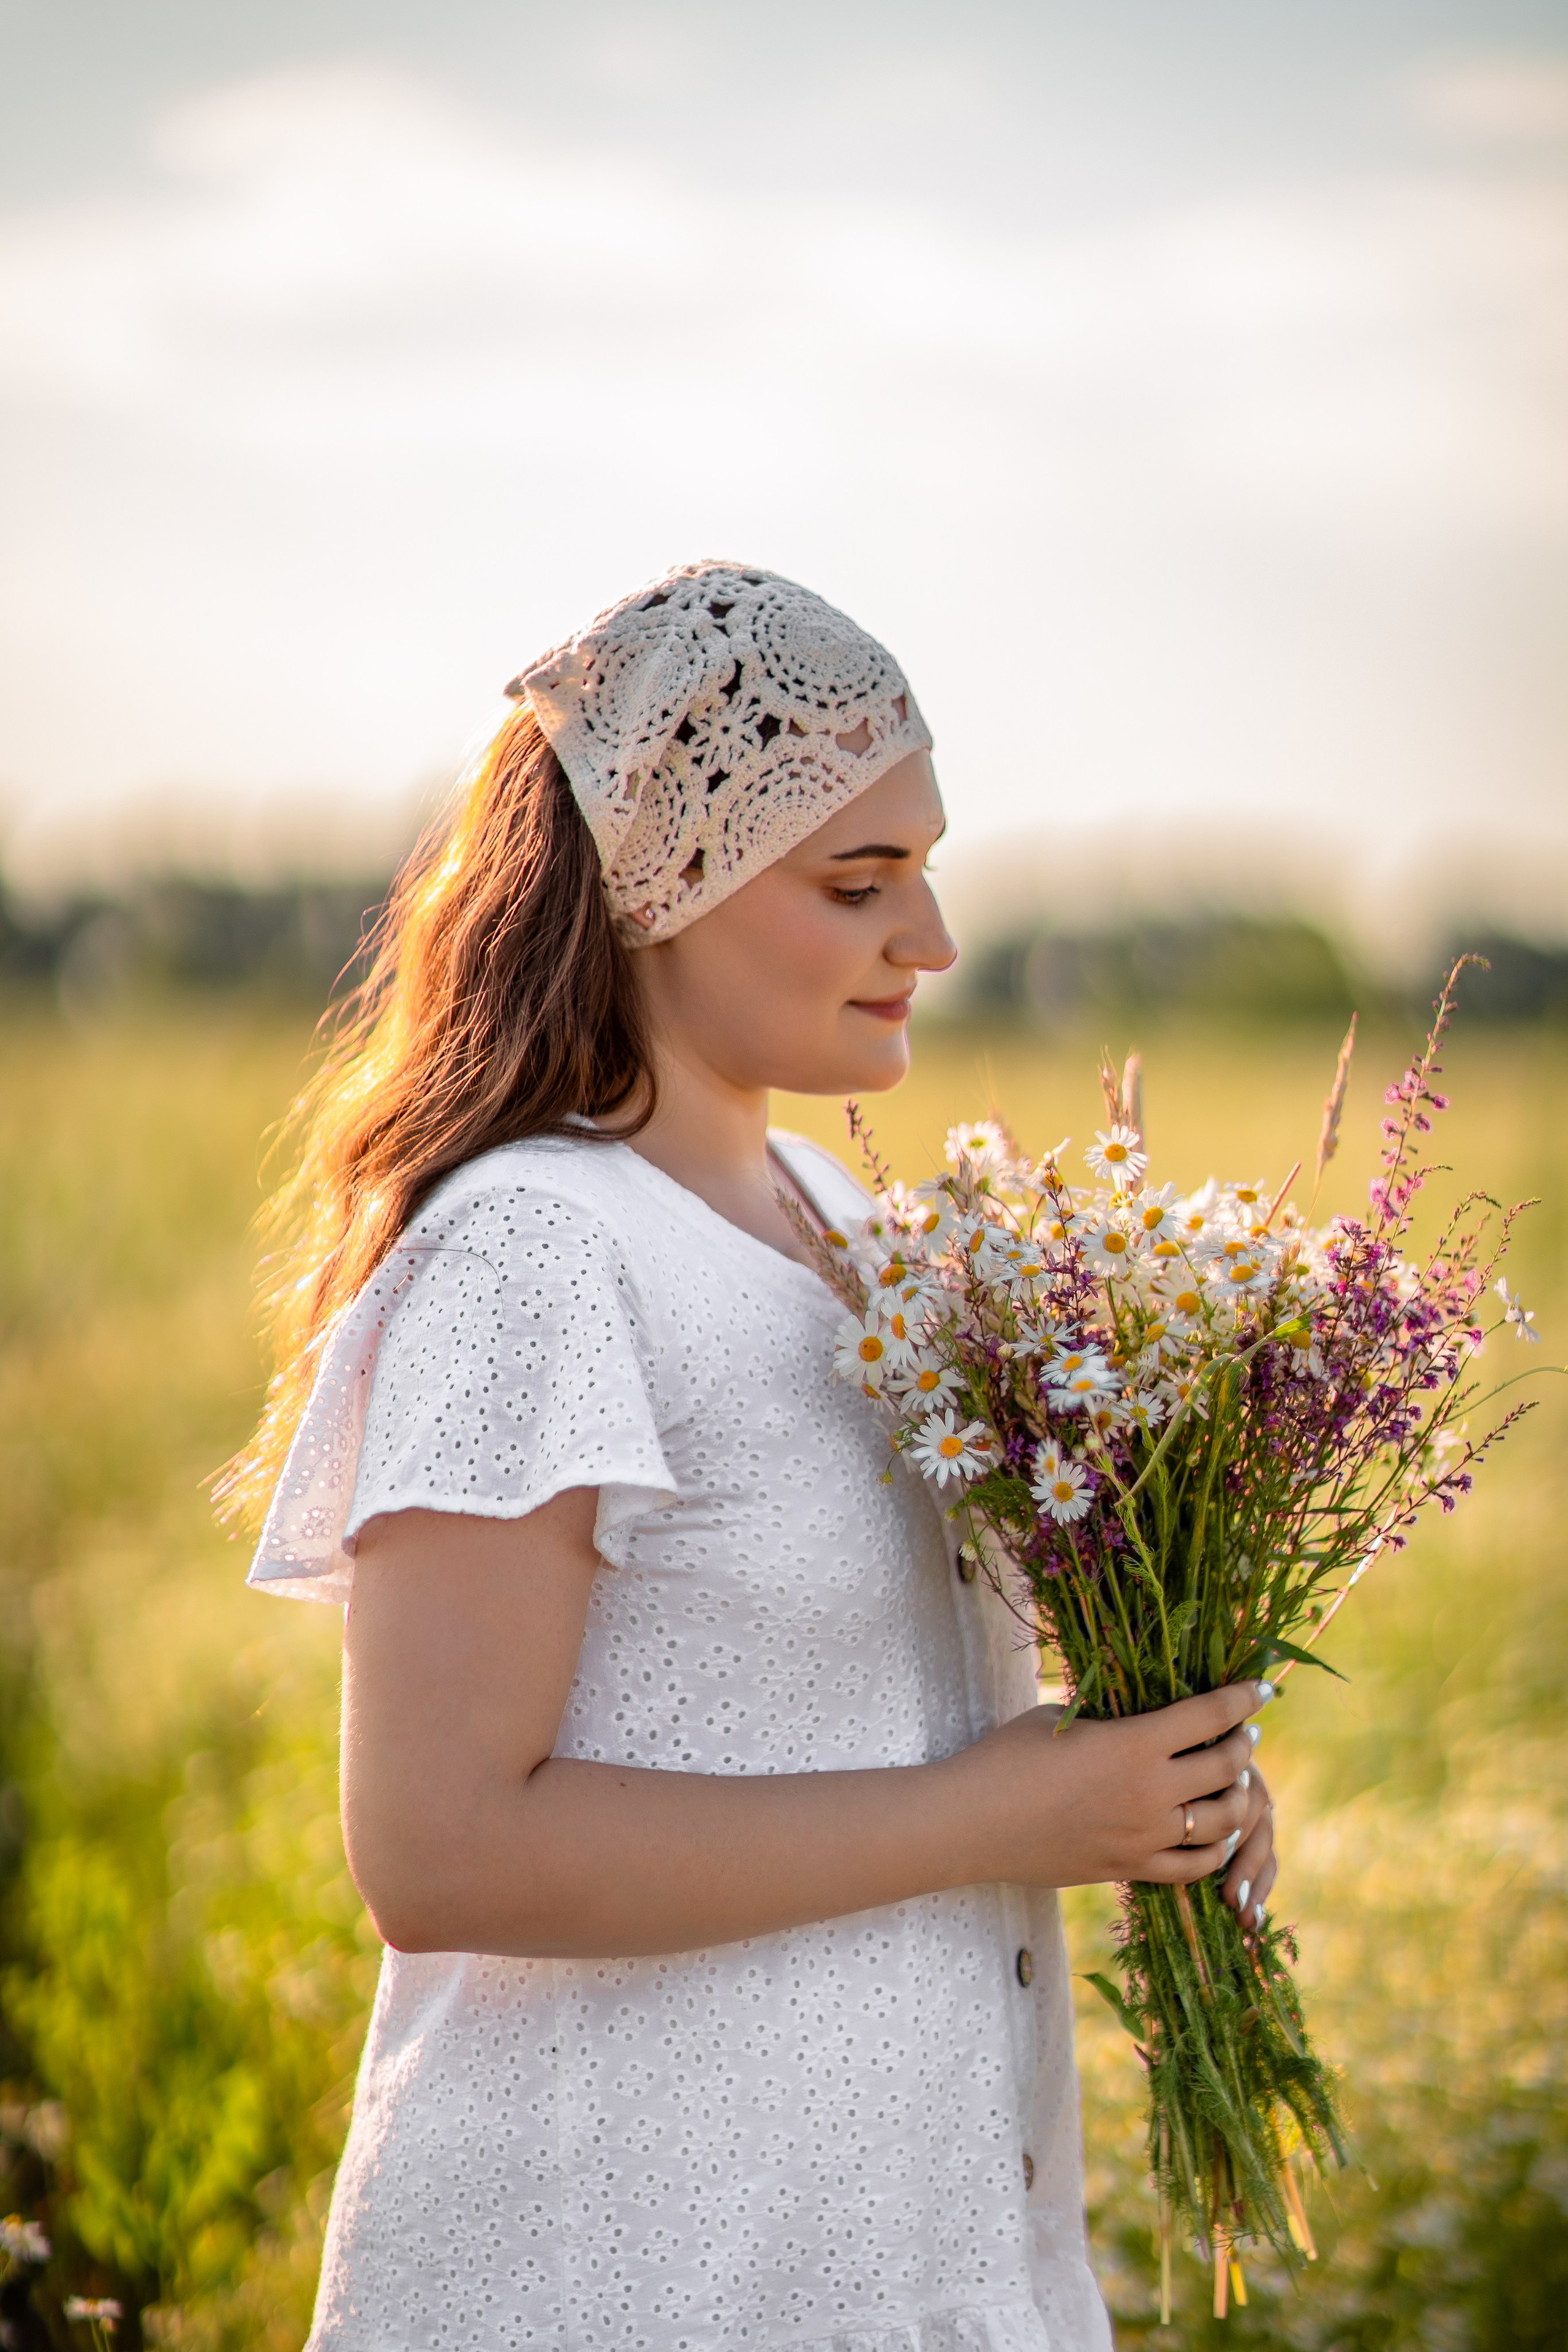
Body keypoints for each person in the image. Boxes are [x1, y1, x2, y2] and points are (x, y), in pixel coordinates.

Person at [227, 561, 1276, 2351]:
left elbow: (901, 1711)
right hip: (633, 2278)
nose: (929, 941)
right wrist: (1004, 1815)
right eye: (859, 883)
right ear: (663, 890)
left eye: (928, 872)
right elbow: (440, 1847)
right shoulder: (538, 1252)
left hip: (912, 2256)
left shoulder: (851, 1226)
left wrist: (1161, 1775)